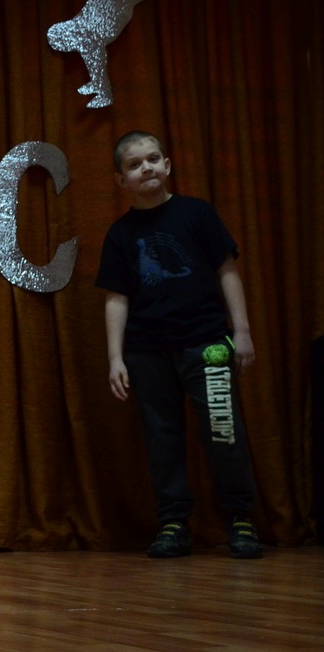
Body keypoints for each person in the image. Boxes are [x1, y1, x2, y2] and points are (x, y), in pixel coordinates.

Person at [96, 130, 263, 559]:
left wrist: (242, 331)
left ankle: (240, 518)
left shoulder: (197, 214)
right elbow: (116, 298)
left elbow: (227, 271)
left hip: (207, 344)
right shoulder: (120, 234)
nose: (146, 168)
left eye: (153, 159)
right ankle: (173, 523)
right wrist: (115, 357)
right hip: (147, 352)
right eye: (135, 164)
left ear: (167, 165)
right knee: (161, 438)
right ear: (121, 180)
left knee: (224, 432)